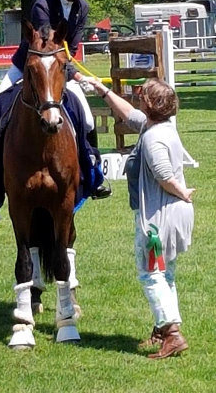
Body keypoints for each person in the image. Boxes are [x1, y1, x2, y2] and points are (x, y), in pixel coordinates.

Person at [0, 0, 111, 200]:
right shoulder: (42, 6)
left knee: (87, 118)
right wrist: (70, 72)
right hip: (27, 67)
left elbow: (70, 47)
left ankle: (92, 176)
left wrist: (70, 73)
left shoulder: (82, 8)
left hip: (59, 69)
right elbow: (44, 44)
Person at [87, 76, 195, 359]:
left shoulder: (154, 138)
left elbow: (164, 176)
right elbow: (131, 116)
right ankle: (163, 329)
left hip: (158, 219)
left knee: (151, 274)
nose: (138, 97)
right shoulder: (158, 126)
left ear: (151, 103)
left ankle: (172, 333)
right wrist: (102, 91)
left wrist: (181, 191)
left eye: (142, 94)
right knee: (165, 274)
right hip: (171, 214)